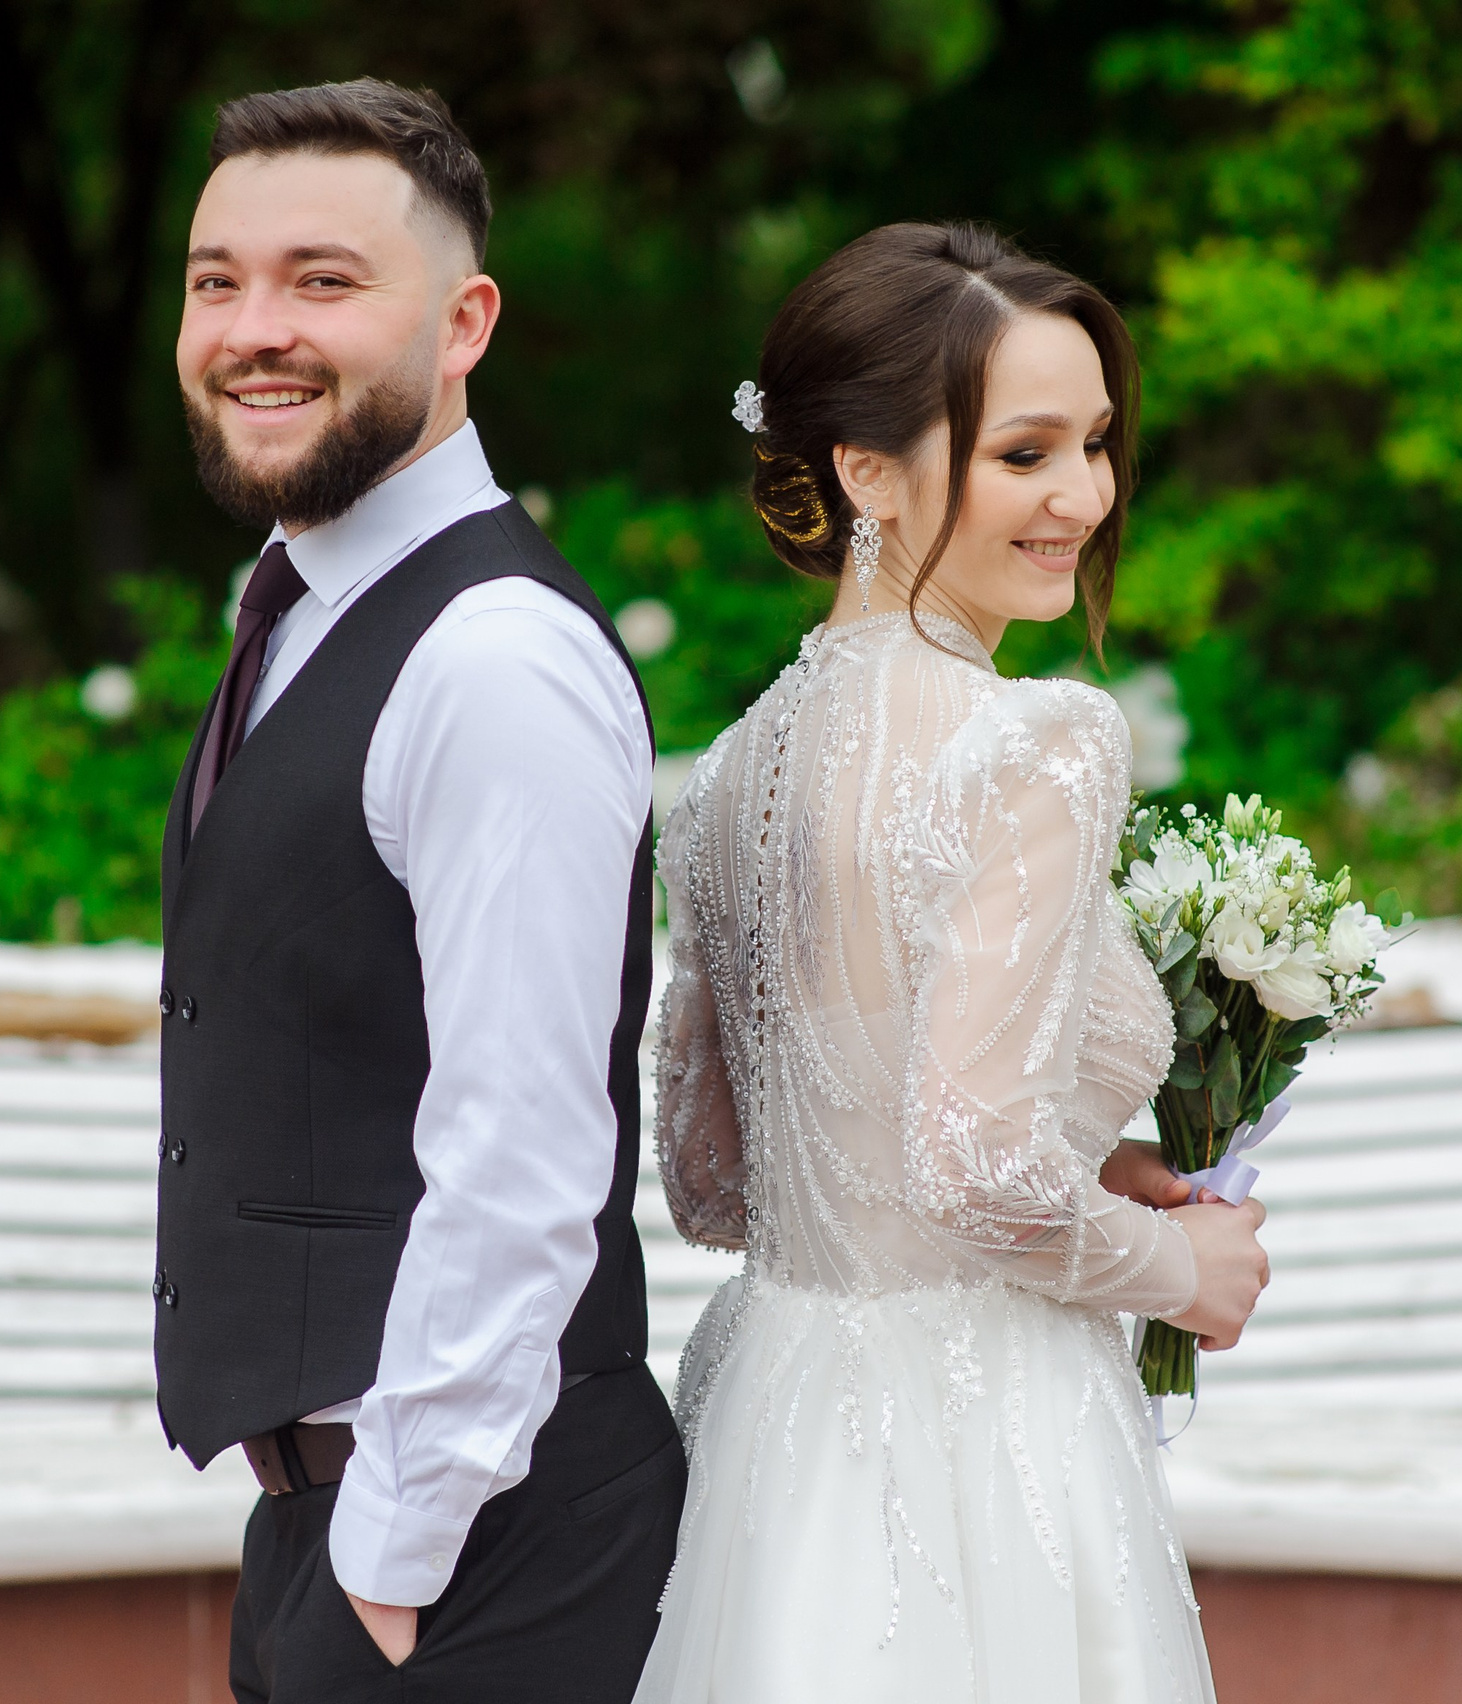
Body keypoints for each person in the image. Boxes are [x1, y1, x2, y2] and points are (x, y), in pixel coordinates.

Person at [637, 223, 1272, 1703]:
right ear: (866, 471)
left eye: (1097, 447)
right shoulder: (1036, 742)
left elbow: (719, 1187)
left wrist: (1077, 1153)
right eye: (1025, 455)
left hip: (774, 1419)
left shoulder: (726, 782)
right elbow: (975, 1173)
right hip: (985, 1439)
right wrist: (1189, 1272)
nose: (1083, 499)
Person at [150, 79, 682, 1704]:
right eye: (215, 279)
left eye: (323, 280)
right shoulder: (298, 602)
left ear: (464, 324)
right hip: (360, 1528)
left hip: (467, 1545)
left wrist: (392, 1556)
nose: (255, 327)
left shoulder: (493, 661)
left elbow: (523, 1148)